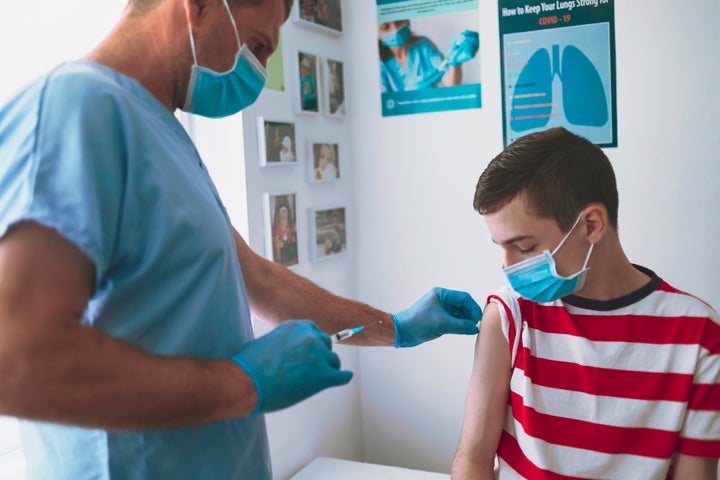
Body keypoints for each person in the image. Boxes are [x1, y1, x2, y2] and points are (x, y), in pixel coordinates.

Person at [0, 0, 483, 478]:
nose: (258, 74)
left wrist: (395, 326)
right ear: (199, 5)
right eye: (257, 46)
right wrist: (243, 383)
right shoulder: (76, 109)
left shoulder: (160, 131)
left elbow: (257, 278)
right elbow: (16, 362)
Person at [451, 127, 720, 479]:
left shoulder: (698, 335)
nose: (507, 266)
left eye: (525, 247)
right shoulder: (509, 315)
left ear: (591, 224)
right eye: (500, 247)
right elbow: (472, 462)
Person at [378, 20, 479, 93]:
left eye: (398, 21)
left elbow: (451, 84)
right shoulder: (379, 63)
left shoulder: (423, 45)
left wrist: (455, 64)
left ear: (407, 21)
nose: (395, 29)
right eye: (386, 27)